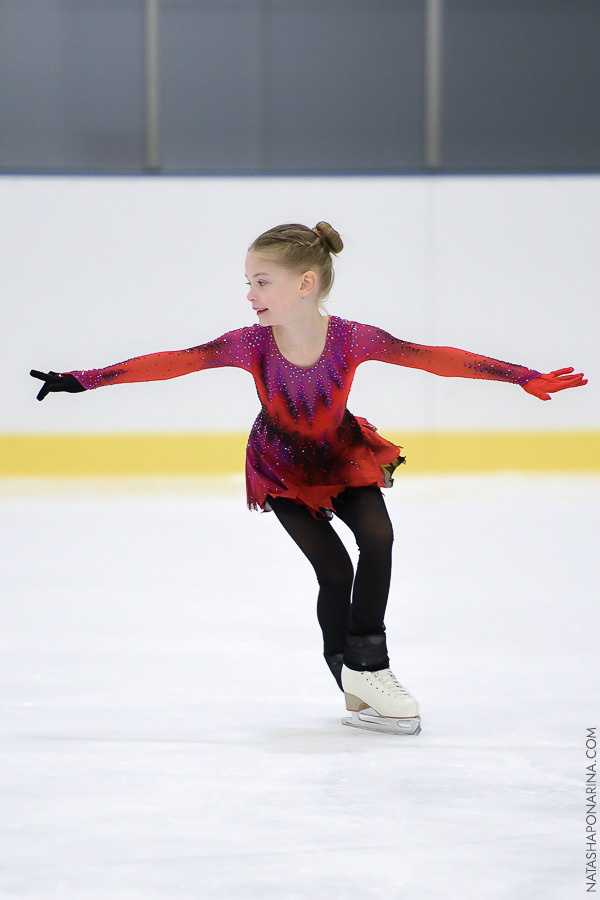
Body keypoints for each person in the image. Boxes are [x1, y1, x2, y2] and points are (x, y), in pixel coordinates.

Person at [31, 221, 587, 735]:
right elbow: (176, 360)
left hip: (343, 456)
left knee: (379, 537)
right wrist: (84, 380)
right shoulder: (250, 345)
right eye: (248, 282)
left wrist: (521, 377)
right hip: (281, 466)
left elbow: (429, 357)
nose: (250, 294)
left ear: (306, 283)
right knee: (334, 566)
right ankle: (348, 668)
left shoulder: (352, 338)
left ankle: (370, 663)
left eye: (261, 281)